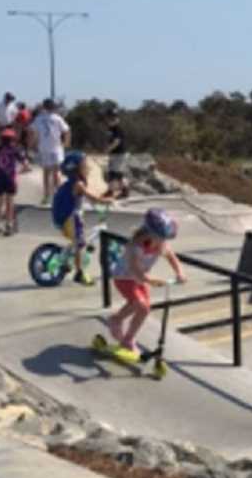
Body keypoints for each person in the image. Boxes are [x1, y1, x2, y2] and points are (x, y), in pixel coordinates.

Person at [106, 208, 186, 361]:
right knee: (138, 304)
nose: (163, 242)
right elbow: (135, 269)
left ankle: (128, 339)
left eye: (165, 238)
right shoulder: (134, 246)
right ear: (150, 233)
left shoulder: (161, 244)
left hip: (141, 279)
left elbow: (172, 257)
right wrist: (150, 280)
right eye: (160, 238)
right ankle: (116, 320)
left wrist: (179, 272)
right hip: (125, 278)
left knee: (145, 309)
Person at [51, 150, 113, 285]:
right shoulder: (78, 184)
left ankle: (68, 259)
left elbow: (91, 200)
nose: (88, 168)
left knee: (81, 241)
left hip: (70, 217)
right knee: (80, 242)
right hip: (69, 218)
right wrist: (106, 201)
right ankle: (79, 274)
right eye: (84, 165)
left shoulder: (78, 182)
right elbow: (92, 198)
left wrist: (104, 199)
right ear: (75, 169)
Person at [30, 98, 71, 204]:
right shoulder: (57, 118)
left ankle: (47, 196)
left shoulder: (38, 119)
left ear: (44, 107)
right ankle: (57, 195)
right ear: (53, 107)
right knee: (56, 172)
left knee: (46, 173)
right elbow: (67, 130)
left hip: (44, 148)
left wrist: (33, 144)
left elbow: (34, 133)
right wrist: (66, 142)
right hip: (56, 148)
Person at [0, 128, 27, 235]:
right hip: (9, 178)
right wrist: (22, 171)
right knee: (9, 202)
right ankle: (8, 225)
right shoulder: (15, 149)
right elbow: (25, 164)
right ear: (12, 139)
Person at [103, 108, 129, 199]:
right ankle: (110, 190)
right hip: (113, 154)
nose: (109, 120)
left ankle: (124, 191)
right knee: (112, 173)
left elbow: (117, 141)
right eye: (108, 118)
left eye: (112, 118)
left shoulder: (117, 129)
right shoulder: (110, 129)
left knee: (117, 174)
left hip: (119, 154)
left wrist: (108, 149)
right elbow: (109, 140)